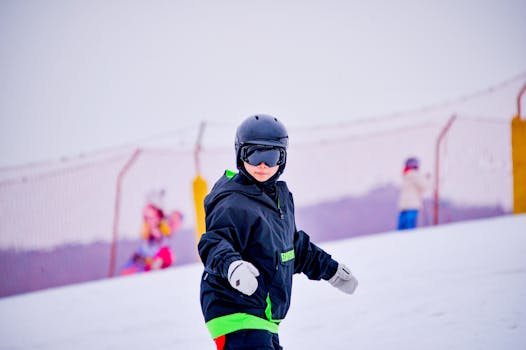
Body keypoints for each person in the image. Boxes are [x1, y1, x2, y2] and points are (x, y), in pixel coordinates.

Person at [198, 114, 358, 349]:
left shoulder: (280, 198)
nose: (262, 165)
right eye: (254, 155)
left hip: (264, 313)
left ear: (282, 159)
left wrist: (332, 270)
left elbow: (294, 248)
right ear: (240, 155)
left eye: (271, 157)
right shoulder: (231, 201)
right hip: (234, 308)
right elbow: (213, 242)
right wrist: (233, 267)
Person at [120, 200, 183, 275]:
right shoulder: (144, 242)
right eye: (146, 218)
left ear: (159, 218)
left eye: (152, 218)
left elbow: (169, 257)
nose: (149, 221)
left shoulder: (168, 237)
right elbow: (131, 264)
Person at [397, 157, 431, 230]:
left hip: (403, 206)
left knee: (402, 227)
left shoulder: (405, 176)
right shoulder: (414, 175)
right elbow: (424, 186)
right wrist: (426, 179)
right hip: (412, 205)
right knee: (410, 227)